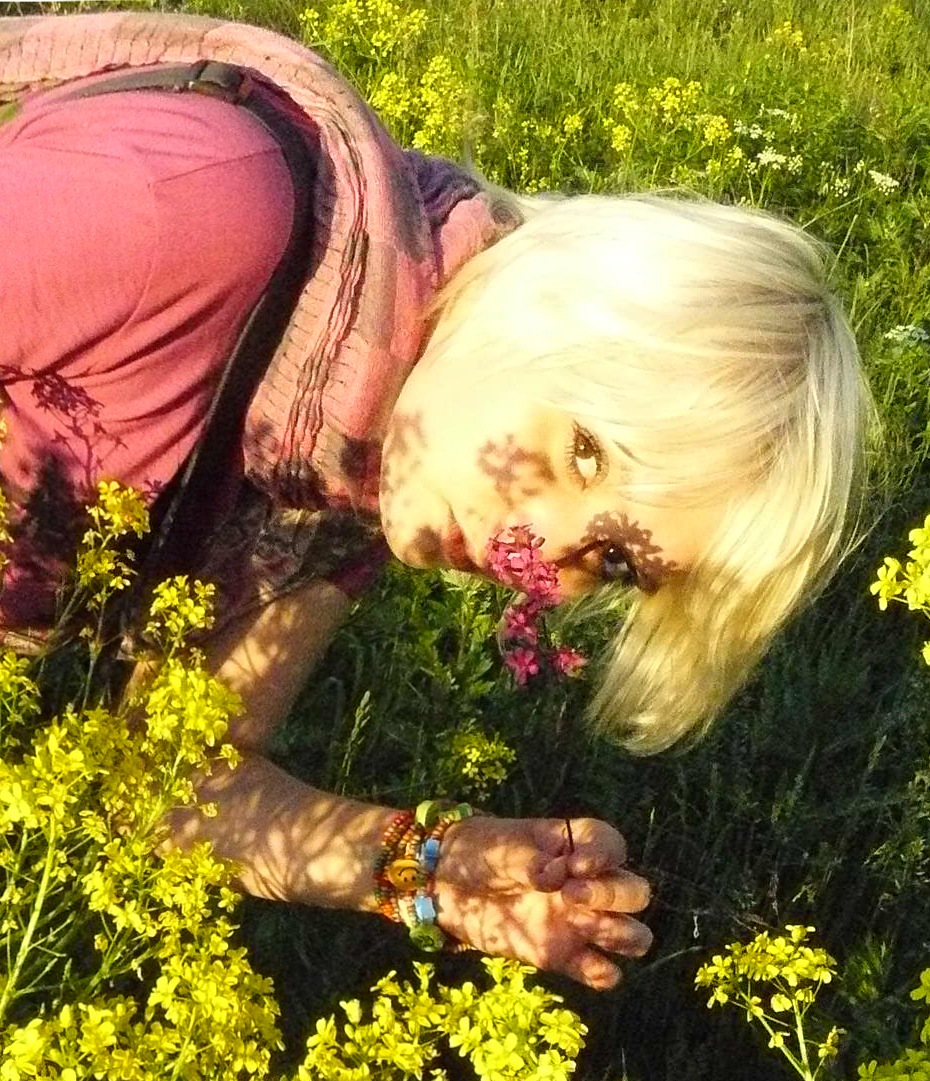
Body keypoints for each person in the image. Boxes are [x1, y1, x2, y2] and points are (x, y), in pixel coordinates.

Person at [0, 11, 873, 990]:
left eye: (615, 562)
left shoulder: (348, 486)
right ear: (551, 313)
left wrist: (437, 869)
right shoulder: (192, 212)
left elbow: (166, 789)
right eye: (585, 450)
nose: (534, 548)